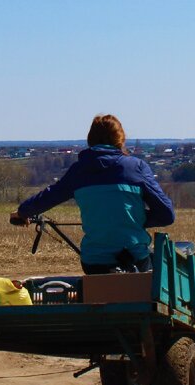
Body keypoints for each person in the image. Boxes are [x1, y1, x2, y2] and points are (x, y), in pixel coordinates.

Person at [10, 114, 175, 274]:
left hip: (95, 262)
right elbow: (167, 214)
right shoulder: (136, 167)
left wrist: (23, 212)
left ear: (91, 140)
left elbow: (49, 196)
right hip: (134, 257)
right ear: (120, 140)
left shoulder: (79, 171)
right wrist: (134, 218)